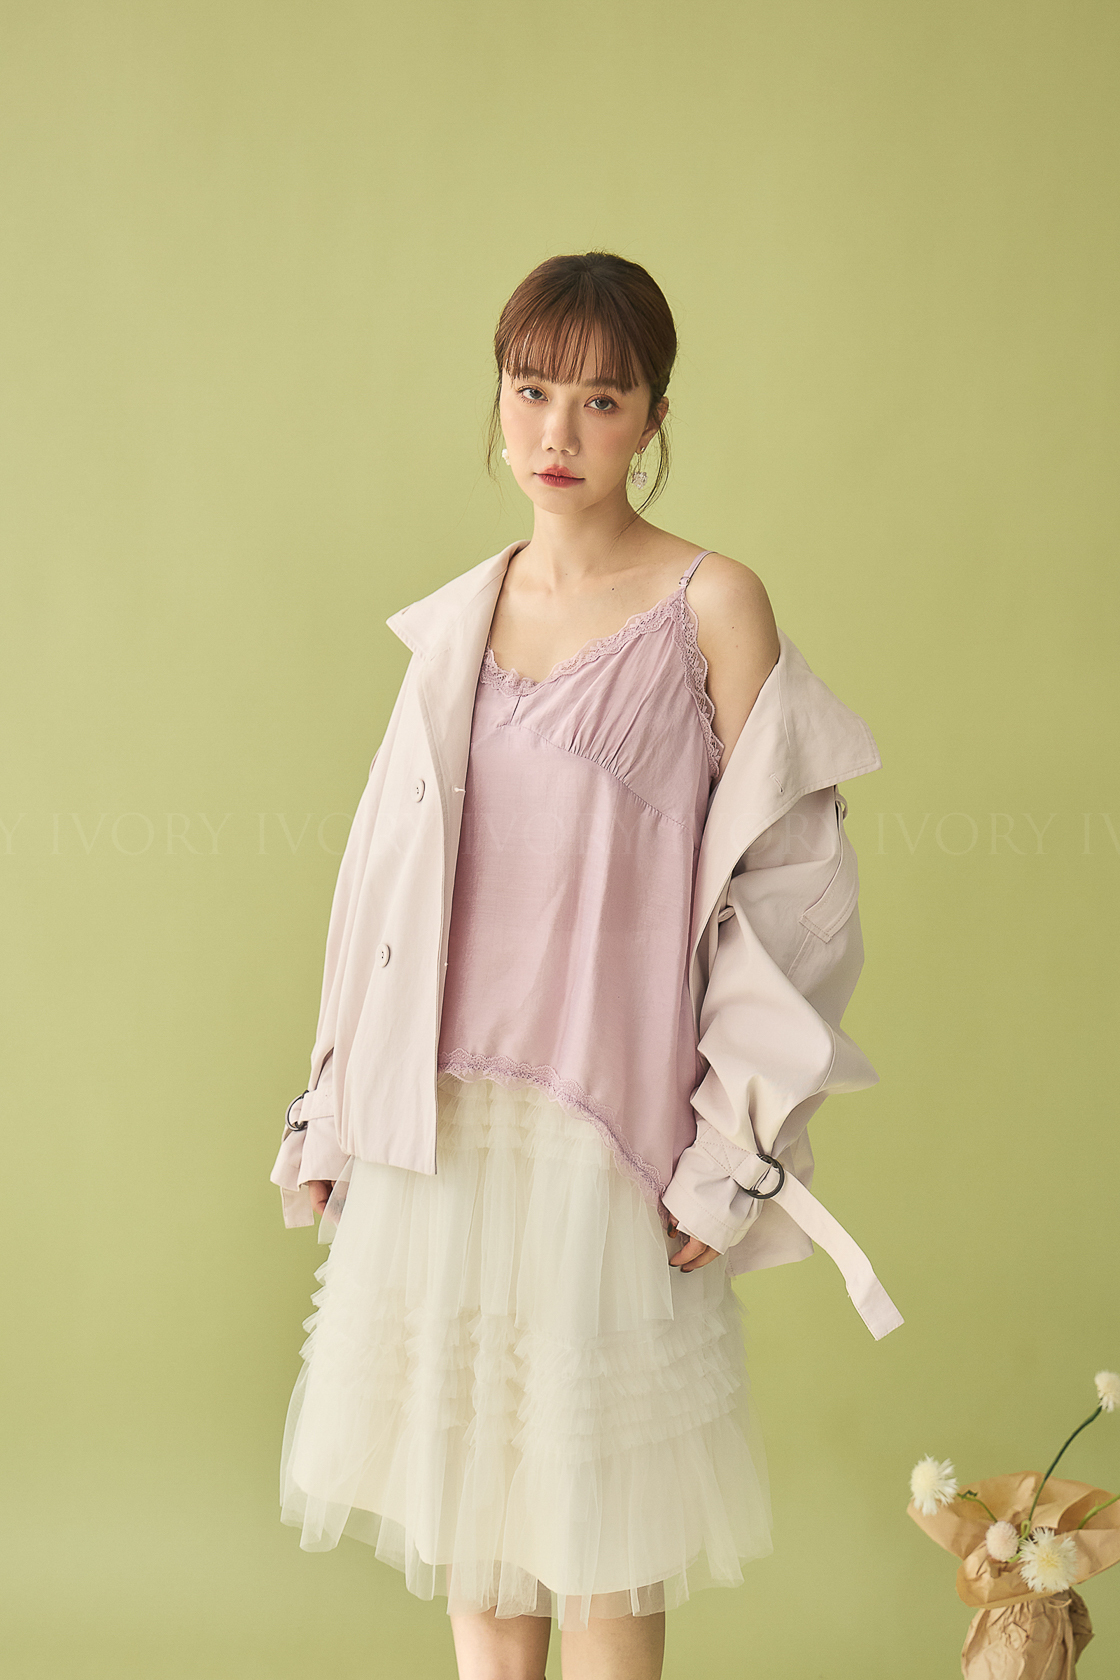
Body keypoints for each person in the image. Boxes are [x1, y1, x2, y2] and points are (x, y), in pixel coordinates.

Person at [270, 251, 901, 1680]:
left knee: (601, 1531)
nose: (557, 431)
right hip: (444, 1128)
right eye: (531, 388)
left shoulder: (712, 604)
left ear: (654, 416)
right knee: (473, 1514)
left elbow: (795, 899)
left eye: (601, 400)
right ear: (498, 398)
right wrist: (331, 1105)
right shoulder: (456, 624)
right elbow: (378, 892)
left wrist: (737, 1149)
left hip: (605, 1136)